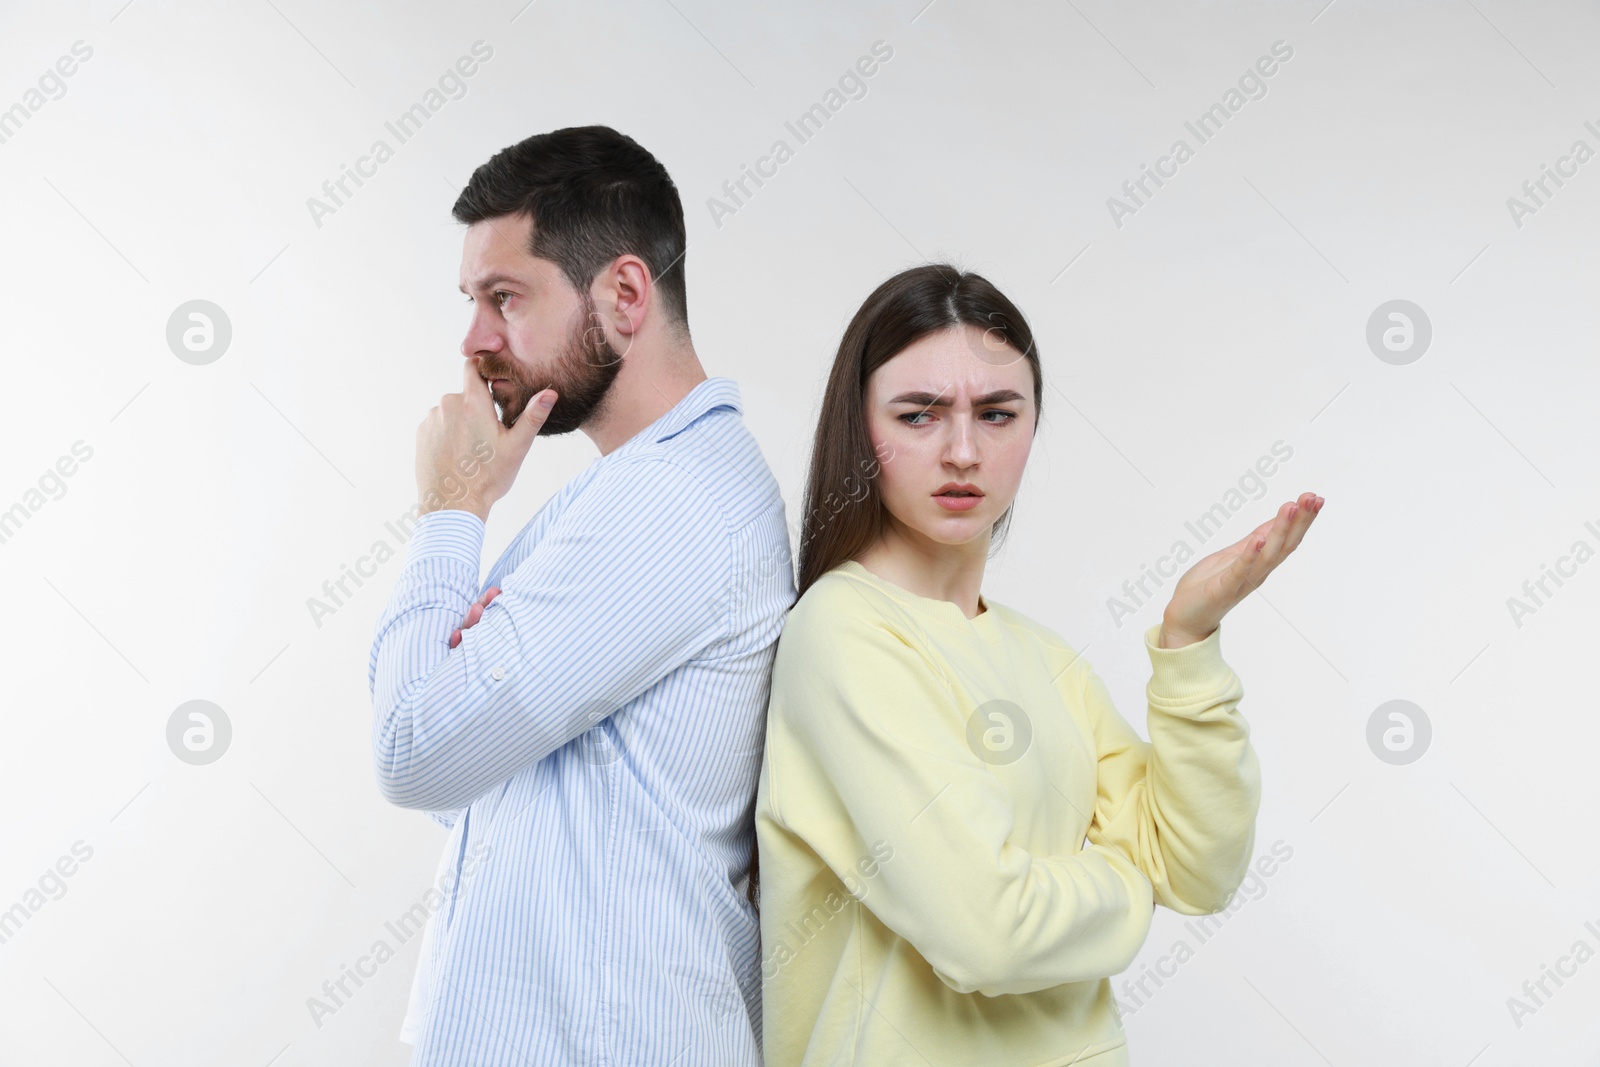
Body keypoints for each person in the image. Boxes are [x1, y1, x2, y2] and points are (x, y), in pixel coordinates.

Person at [752, 264, 1321, 1065]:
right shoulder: (843, 634)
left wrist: (1189, 644)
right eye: (919, 414)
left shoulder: (1042, 657)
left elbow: (1199, 868)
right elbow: (987, 929)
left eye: (996, 414)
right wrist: (1127, 885)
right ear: (860, 428)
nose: (962, 450)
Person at [368, 125, 794, 1066]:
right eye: (473, 300)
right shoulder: (624, 491)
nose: (475, 339)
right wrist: (461, 703)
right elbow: (470, 792)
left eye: (505, 297)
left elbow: (414, 750)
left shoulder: (671, 503)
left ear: (625, 295)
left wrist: (453, 509)